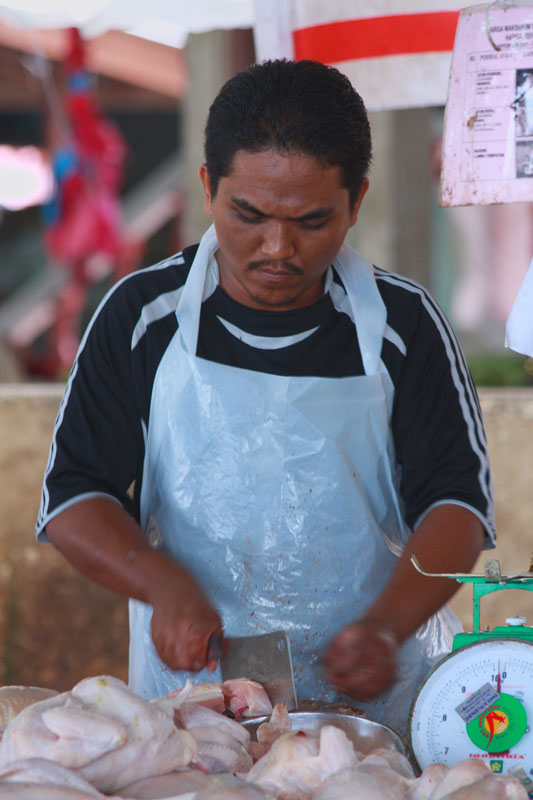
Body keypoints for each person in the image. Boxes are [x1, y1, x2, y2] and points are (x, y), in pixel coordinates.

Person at [37, 59, 494, 736]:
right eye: (247, 215)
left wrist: (383, 625)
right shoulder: (143, 315)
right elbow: (75, 496)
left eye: (311, 221)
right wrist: (162, 585)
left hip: (367, 708)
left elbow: (457, 505)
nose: (276, 249)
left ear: (356, 202)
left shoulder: (402, 324)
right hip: (198, 706)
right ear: (207, 188)